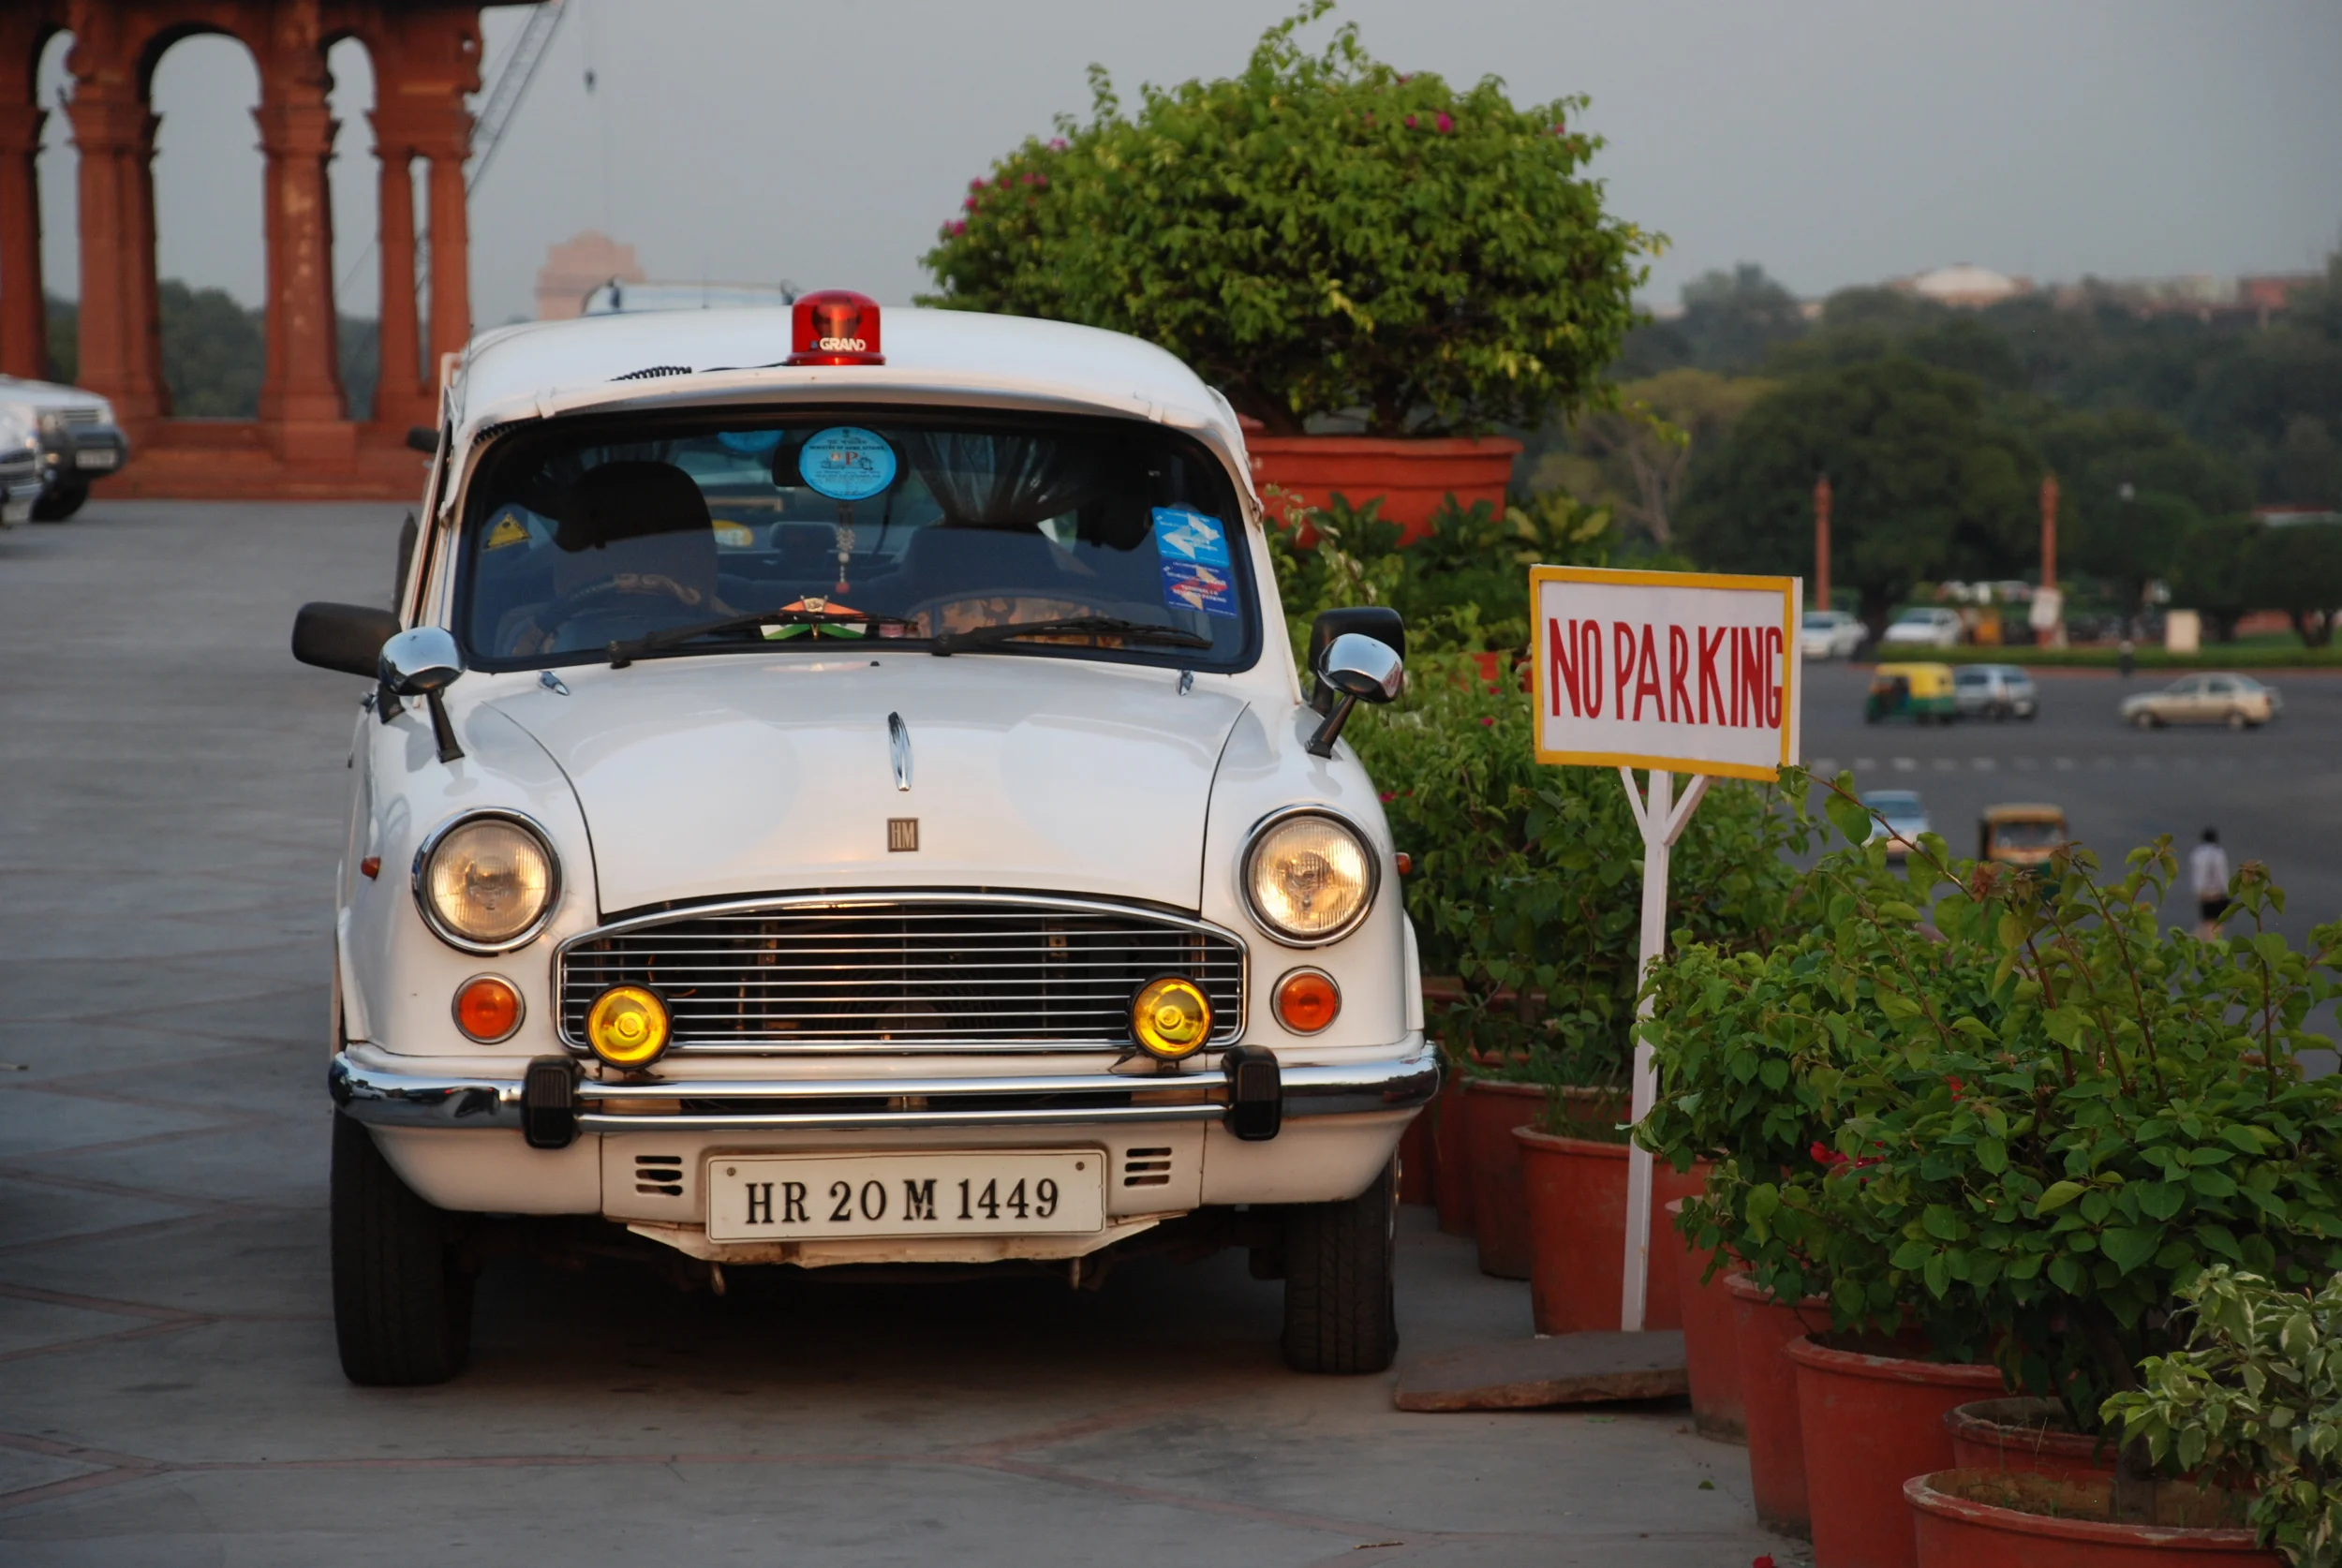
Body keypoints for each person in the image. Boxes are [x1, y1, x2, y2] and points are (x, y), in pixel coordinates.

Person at [2190, 827, 2231, 939]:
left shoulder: (2197, 853)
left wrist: (2198, 892)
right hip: (2216, 893)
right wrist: (2227, 892)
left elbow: (2196, 875)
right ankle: (2210, 949)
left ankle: (2194, 944)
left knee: (2205, 922)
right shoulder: (2218, 853)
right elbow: (2221, 875)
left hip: (2202, 893)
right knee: (2215, 924)